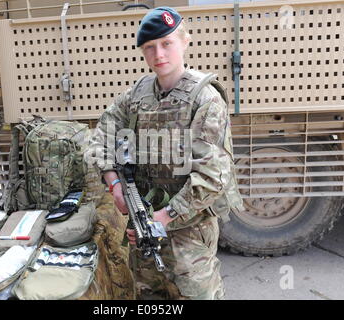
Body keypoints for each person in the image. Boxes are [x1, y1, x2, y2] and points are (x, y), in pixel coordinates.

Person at [88, 7, 244, 300]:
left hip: (189, 233)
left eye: (166, 43)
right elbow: (103, 135)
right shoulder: (137, 94)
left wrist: (164, 217)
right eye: (149, 47)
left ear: (185, 42)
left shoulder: (205, 99)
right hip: (144, 222)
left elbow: (212, 177)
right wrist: (115, 184)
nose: (158, 53)